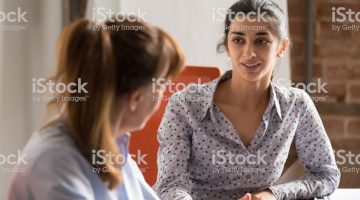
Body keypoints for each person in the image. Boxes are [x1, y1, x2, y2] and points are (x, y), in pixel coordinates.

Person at [154, 0, 340, 199]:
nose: (249, 53)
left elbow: (326, 175)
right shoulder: (185, 105)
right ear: (227, 45)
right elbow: (169, 186)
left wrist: (274, 194)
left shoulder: (296, 105)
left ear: (282, 47)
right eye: (238, 40)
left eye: (261, 41)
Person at [8, 15, 185, 200]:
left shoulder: (113, 148)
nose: (166, 94)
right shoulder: (55, 162)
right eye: (162, 84)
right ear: (136, 97)